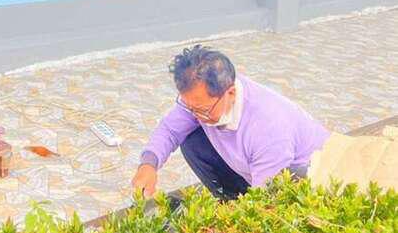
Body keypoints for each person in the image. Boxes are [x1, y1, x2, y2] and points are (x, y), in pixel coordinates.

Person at [131, 45, 330, 201]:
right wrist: (148, 165)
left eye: (203, 110)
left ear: (231, 93)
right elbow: (170, 130)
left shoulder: (268, 128)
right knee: (191, 139)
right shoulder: (202, 97)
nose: (196, 115)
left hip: (307, 181)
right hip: (256, 170)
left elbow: (264, 202)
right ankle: (230, 199)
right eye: (190, 108)